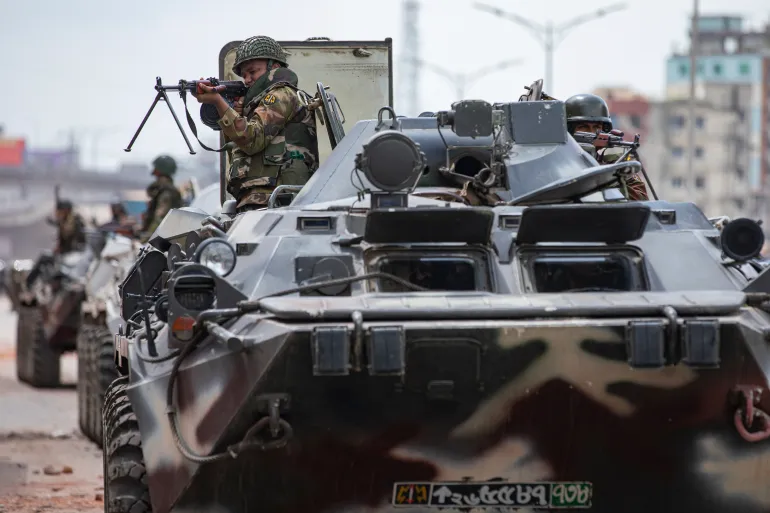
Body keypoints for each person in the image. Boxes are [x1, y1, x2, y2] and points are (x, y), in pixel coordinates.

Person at [194, 35, 319, 213]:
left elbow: (251, 139)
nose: (247, 79)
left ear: (274, 67)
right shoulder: (257, 103)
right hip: (262, 197)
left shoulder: (280, 94)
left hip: (277, 198)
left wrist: (217, 101)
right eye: (244, 75)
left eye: (252, 72)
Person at [565, 93, 649, 201]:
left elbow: (641, 199)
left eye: (597, 127)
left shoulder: (615, 164)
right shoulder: (557, 163)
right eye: (584, 127)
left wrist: (606, 176)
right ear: (569, 131)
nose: (592, 133)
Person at [141, 155, 183, 240]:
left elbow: (159, 218)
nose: (153, 171)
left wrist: (146, 238)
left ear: (159, 171)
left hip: (160, 239)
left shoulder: (167, 192)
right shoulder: (165, 189)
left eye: (155, 169)